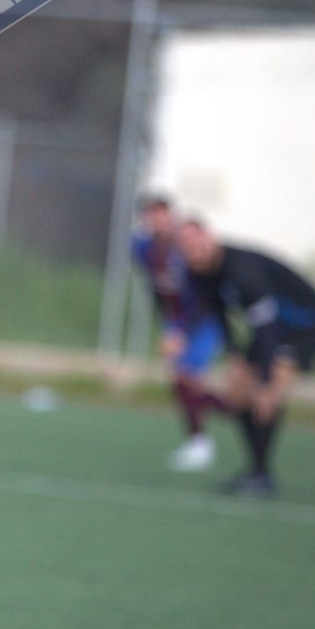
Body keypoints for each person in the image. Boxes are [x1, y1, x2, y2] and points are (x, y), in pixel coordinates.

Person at [177, 219, 315, 497]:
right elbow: (219, 313)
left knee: (266, 392)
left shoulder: (243, 269)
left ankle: (261, 475)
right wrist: (235, 356)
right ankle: (258, 472)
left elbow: (267, 328)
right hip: (271, 330)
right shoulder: (199, 273)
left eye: (196, 242)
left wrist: (268, 383)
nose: (193, 250)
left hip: (305, 324)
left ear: (209, 237)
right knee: (237, 394)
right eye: (186, 247)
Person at [131, 193, 225, 471]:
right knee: (181, 382)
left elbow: (205, 292)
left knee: (187, 378)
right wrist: (169, 324)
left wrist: (182, 331)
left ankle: (237, 411)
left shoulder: (184, 245)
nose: (156, 220)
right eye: (151, 214)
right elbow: (156, 286)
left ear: (170, 216)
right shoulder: (142, 247)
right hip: (177, 319)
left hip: (203, 319)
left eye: (161, 214)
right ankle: (199, 441)